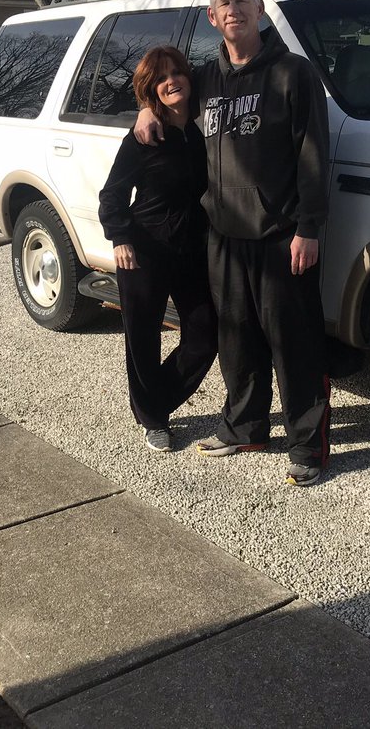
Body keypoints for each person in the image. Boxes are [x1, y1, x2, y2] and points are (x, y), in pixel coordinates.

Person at [135, 0, 331, 486]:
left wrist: (308, 228)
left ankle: (307, 446)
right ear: (212, 16)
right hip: (222, 238)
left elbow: (314, 155)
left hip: (281, 237)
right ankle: (245, 425)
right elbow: (164, 94)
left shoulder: (293, 73)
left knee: (295, 345)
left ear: (260, 10)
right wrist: (143, 112)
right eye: (225, 3)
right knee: (237, 340)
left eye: (243, 0)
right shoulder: (205, 80)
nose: (234, 10)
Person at [99, 45, 218, 453]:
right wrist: (120, 237)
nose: (172, 81)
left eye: (177, 73)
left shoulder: (201, 130)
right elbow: (112, 194)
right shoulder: (144, 137)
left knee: (204, 334)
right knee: (143, 338)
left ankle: (155, 401)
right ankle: (152, 419)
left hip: (190, 248)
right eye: (161, 78)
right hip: (143, 250)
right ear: (151, 89)